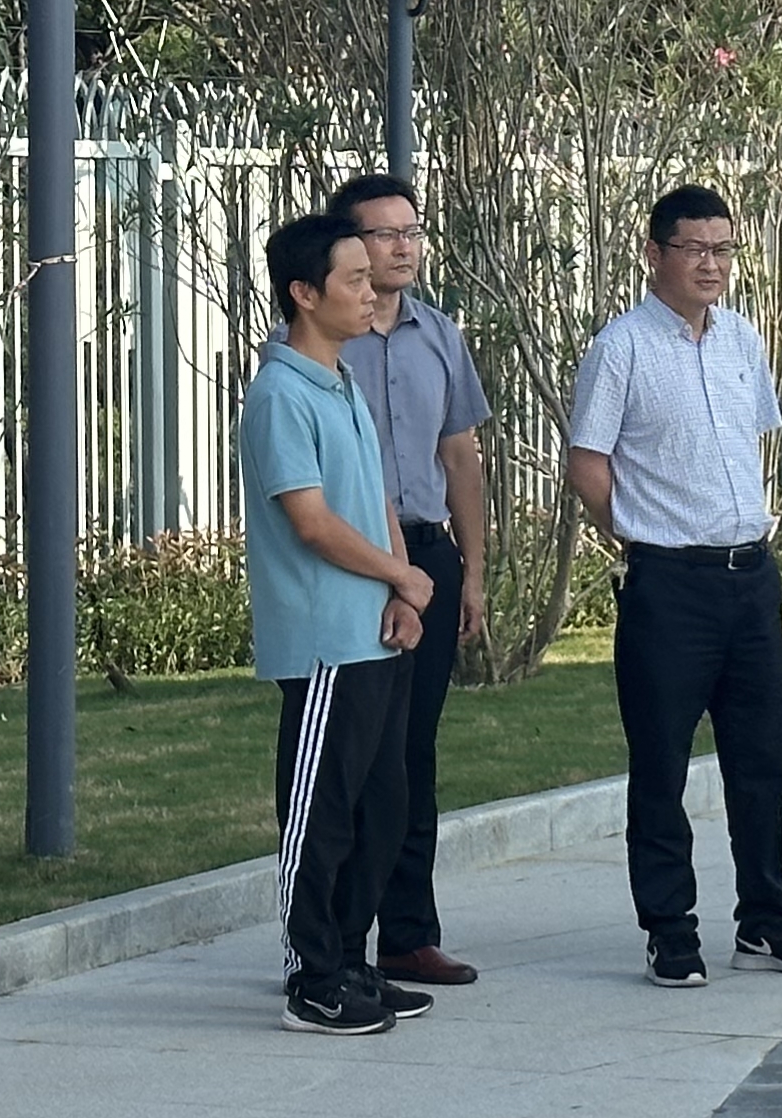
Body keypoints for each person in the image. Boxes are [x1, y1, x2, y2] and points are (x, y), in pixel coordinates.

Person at [568, 185, 782, 989]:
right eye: (694, 249)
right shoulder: (620, 348)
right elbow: (588, 462)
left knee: (762, 759)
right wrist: (639, 532)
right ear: (655, 254)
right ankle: (669, 927)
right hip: (669, 584)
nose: (711, 264)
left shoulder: (740, 339)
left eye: (722, 249)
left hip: (749, 576)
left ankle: (766, 918)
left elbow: (748, 440)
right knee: (662, 762)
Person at [242, 213, 435, 1036]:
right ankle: (312, 979)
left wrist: (402, 593)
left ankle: (352, 963)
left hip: (375, 633)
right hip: (325, 642)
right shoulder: (281, 393)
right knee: (319, 818)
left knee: (380, 810)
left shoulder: (341, 381)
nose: (370, 289)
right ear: (304, 293)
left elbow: (377, 499)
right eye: (353, 278)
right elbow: (313, 523)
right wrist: (401, 575)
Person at [317, 173, 493, 989]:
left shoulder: (439, 335)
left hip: (428, 556)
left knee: (413, 754)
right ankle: (331, 943)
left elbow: (460, 457)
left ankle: (408, 934)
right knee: (355, 757)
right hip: (350, 562)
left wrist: (471, 573)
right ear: (348, 245)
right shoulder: (321, 342)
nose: (403, 247)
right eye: (384, 234)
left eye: (412, 232)